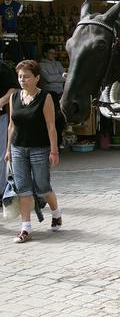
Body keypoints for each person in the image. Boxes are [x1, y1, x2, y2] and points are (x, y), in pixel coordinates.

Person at [5, 60, 61, 243]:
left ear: (37, 78)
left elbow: (51, 126)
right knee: (23, 189)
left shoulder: (45, 97)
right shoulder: (14, 98)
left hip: (40, 148)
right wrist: (8, 150)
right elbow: (11, 126)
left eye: (27, 76)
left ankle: (56, 213)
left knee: (43, 187)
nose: (22, 80)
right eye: (20, 76)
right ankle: (25, 228)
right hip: (18, 148)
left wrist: (54, 151)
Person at [39, 46, 66, 147]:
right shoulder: (41, 65)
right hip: (49, 94)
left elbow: (66, 76)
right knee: (50, 118)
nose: (53, 55)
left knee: (60, 119)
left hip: (60, 93)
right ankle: (49, 142)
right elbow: (48, 79)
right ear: (45, 53)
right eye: (51, 53)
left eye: (54, 53)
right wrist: (60, 77)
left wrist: (58, 78)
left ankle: (59, 142)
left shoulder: (58, 64)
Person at [0, 60, 19, 201]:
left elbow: (13, 88)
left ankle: (1, 192)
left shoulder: (3, 68)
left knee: (1, 156)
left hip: (0, 117)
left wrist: (1, 101)